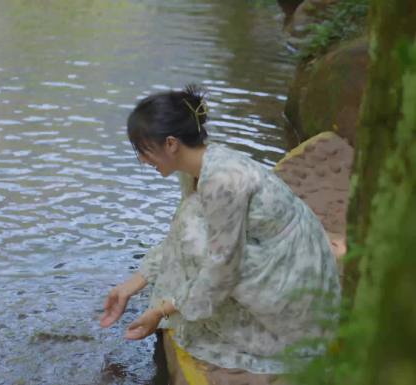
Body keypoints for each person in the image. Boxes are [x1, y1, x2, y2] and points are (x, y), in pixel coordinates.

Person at [100, 86, 341, 384]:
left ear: (171, 143)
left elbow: (222, 268)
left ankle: (268, 330)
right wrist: (131, 285)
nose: (143, 160)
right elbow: (183, 237)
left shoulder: (222, 180)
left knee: (192, 228)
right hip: (285, 257)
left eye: (144, 150)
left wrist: (163, 309)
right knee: (188, 222)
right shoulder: (202, 164)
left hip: (296, 288)